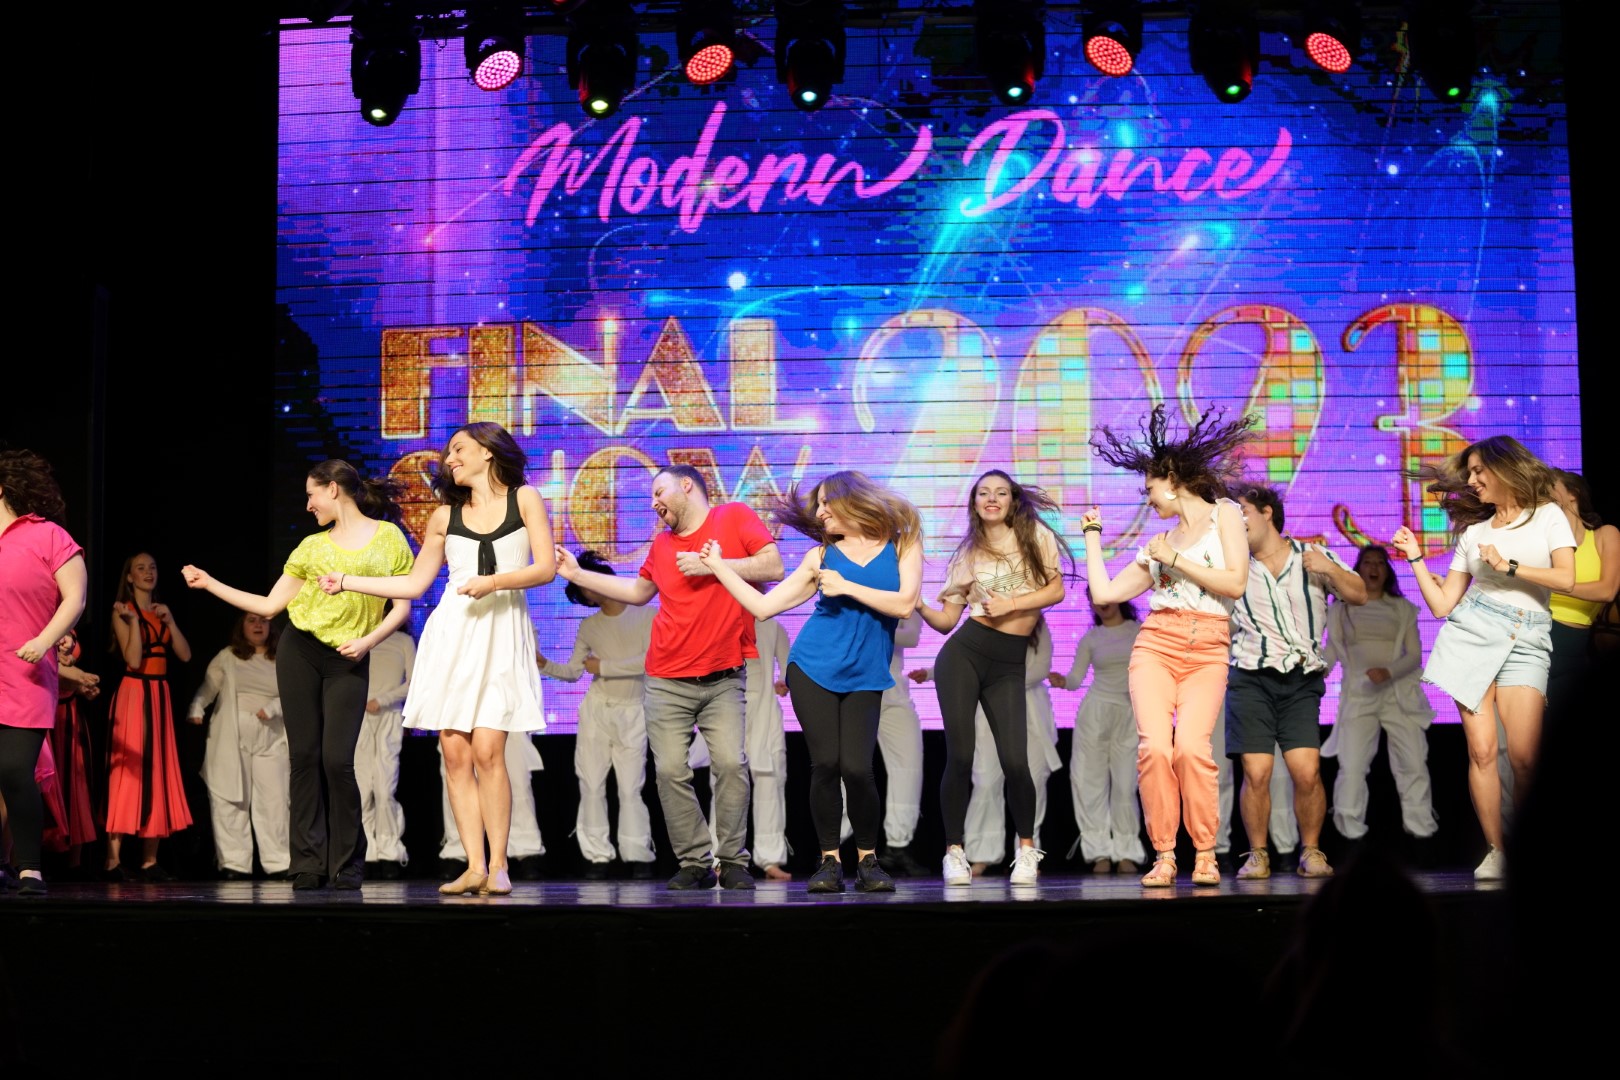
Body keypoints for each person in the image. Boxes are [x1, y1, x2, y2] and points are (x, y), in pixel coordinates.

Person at [326, 423, 555, 897]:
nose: (449, 459)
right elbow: (414, 584)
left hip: (500, 632)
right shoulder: (443, 516)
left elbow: (546, 567)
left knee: (489, 751)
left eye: (459, 449)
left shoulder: (525, 499)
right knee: (454, 753)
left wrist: (493, 582)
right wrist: (347, 581)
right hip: (453, 633)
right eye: (450, 452)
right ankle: (474, 865)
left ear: (487, 452)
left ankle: (499, 865)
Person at [184, 459, 414, 890]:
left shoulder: (388, 538)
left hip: (350, 655)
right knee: (304, 756)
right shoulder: (311, 547)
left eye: (311, 494)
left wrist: (368, 642)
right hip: (301, 650)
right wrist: (210, 583)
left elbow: (401, 605)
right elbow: (270, 606)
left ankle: (348, 863)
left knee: (337, 760)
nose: (308, 505)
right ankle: (307, 861)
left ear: (332, 489)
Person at [554, 464, 782, 891]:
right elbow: (638, 593)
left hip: (723, 676)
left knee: (731, 765)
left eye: (659, 492)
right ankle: (695, 862)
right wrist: (577, 575)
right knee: (670, 771)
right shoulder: (661, 544)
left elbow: (773, 566)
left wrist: (714, 565)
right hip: (665, 679)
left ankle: (732, 860)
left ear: (686, 485)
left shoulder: (733, 516)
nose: (654, 502)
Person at [699, 470, 922, 893]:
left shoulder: (902, 542)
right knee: (827, 765)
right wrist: (718, 567)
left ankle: (869, 861)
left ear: (850, 499)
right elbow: (763, 607)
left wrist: (847, 586)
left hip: (865, 673)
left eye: (825, 504)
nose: (819, 513)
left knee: (857, 768)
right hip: (812, 668)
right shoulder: (819, 557)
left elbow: (905, 605)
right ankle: (829, 862)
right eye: (817, 506)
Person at [1084, 405, 1255, 887]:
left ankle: (1204, 853)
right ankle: (1163, 854)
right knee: (1156, 748)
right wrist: (1092, 536)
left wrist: (1175, 559)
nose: (1148, 498)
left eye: (1150, 488)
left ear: (1173, 481)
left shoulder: (1225, 515)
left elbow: (1236, 583)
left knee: (1192, 749)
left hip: (1208, 647)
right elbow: (1105, 594)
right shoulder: (1159, 542)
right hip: (1156, 645)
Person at [1393, 435, 1575, 880]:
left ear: (1504, 468)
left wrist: (1508, 565)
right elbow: (1443, 605)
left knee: (1526, 757)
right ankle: (1497, 850)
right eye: (1470, 473)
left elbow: (1566, 579)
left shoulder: (1548, 515)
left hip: (1526, 636)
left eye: (1479, 471)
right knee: (1481, 751)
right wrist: (1416, 559)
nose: (1472, 480)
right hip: (1472, 633)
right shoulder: (1474, 533)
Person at [917, 469, 1071, 887]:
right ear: (974, 503)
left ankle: (1026, 852)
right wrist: (917, 604)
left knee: (1016, 761)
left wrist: (1012, 604)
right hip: (964, 655)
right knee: (960, 756)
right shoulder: (967, 555)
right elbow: (946, 622)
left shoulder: (1035, 536)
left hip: (1008, 664)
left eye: (1001, 492)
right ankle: (954, 853)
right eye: (983, 493)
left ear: (1012, 501)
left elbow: (1056, 591)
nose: (992, 498)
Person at [1225, 485, 1367, 881]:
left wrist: (1331, 569)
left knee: (1306, 772)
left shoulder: (1311, 555)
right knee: (1256, 772)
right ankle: (1257, 854)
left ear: (1267, 512)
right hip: (1250, 677)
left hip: (1301, 681)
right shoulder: (1234, 566)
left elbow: (1359, 594)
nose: (1236, 522)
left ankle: (1311, 850)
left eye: (1242, 512)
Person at [537, 550, 658, 880]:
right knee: (591, 784)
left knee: (631, 788)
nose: (590, 589)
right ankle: (597, 857)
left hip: (634, 710)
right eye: (583, 587)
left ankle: (638, 855)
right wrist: (544, 664)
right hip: (597, 712)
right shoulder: (589, 626)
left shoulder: (647, 614)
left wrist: (604, 666)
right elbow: (575, 672)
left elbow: (649, 662)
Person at [0, 449, 89, 897]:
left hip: (25, 673)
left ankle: (30, 868)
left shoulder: (48, 535)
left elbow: (75, 597)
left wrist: (44, 639)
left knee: (16, 769)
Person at [1321, 544, 1439, 848]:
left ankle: (1421, 832)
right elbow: (1331, 651)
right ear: (1357, 569)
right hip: (1358, 695)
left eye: (1380, 563)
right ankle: (1348, 832)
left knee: (1413, 763)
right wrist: (1314, 672)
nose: (1373, 568)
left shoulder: (1402, 608)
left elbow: (1414, 655)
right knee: (1352, 764)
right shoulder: (1340, 608)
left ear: (1387, 571)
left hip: (1398, 696)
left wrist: (1388, 671)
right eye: (1367, 562)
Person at [105, 552, 195, 881]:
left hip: (159, 694)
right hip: (134, 692)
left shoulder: (161, 611)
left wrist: (170, 622)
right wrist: (132, 623)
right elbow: (132, 659)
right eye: (140, 568)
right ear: (129, 577)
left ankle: (149, 860)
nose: (148, 572)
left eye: (152, 567)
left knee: (158, 770)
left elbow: (185, 655)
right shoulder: (123, 610)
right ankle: (112, 860)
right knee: (128, 772)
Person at [187, 613, 290, 880]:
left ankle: (278, 862)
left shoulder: (282, 658)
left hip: (272, 737)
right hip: (232, 737)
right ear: (241, 627)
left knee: (275, 801)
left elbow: (294, 693)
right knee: (231, 798)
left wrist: (274, 707)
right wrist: (197, 707)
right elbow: (208, 688)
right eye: (251, 621)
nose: (258, 625)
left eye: (263, 621)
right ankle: (235, 863)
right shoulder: (228, 656)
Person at [1050, 597, 1145, 875]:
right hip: (1095, 714)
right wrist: (1063, 681)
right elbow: (1075, 679)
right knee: (1090, 784)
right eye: (1094, 600)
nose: (1101, 604)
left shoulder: (1138, 630)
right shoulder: (1092, 638)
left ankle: (1126, 851)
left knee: (1126, 785)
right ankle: (1099, 852)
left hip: (1129, 714)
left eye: (1104, 598)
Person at [1545, 470, 1619, 717]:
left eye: (1550, 485)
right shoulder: (1544, 542)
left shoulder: (1605, 535)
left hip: (1573, 645)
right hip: (1537, 633)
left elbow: (1607, 590)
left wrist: (1554, 584)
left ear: (1573, 493)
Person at [356, 627, 414, 880]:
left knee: (384, 789)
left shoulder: (403, 641)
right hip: (359, 718)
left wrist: (383, 700)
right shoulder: (359, 636)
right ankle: (366, 853)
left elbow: (413, 683)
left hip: (388, 717)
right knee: (362, 790)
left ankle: (390, 851)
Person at [876, 611, 929, 876]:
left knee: (908, 766)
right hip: (853, 686)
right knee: (846, 769)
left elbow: (911, 636)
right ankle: (831, 849)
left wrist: (869, 629)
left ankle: (897, 847)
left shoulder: (907, 596)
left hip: (894, 690)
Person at [743, 615, 793, 880]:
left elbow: (787, 667)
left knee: (770, 782)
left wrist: (784, 682)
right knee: (725, 782)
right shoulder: (721, 619)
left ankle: (770, 858)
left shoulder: (773, 626)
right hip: (728, 706)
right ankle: (720, 858)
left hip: (766, 711)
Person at [51, 631, 100, 871]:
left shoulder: (71, 625)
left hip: (70, 711)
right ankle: (38, 859)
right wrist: (79, 678)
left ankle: (75, 862)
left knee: (75, 783)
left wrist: (80, 687)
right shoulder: (41, 620)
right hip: (47, 712)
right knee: (49, 782)